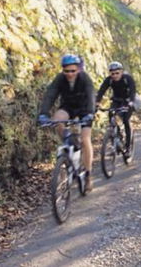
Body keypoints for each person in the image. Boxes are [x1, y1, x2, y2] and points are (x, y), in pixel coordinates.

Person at [38, 54, 96, 191]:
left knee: (85, 138)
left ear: (78, 70)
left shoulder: (84, 78)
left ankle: (88, 174)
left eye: (73, 71)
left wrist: (90, 113)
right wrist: (44, 114)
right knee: (57, 120)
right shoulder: (60, 79)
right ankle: (69, 143)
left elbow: (91, 96)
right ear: (62, 70)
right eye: (66, 71)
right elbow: (50, 95)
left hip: (84, 109)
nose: (69, 74)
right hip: (68, 107)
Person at [96, 61, 136, 155]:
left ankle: (128, 147)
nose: (115, 75)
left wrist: (130, 102)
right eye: (112, 73)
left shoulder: (127, 78)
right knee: (111, 115)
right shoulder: (109, 80)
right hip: (116, 101)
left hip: (127, 101)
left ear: (121, 72)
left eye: (117, 73)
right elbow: (101, 91)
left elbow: (133, 90)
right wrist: (97, 102)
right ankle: (116, 139)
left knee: (126, 120)